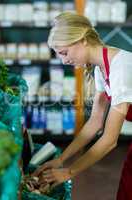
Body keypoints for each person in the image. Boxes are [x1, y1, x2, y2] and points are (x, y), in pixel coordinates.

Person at [33, 11, 132, 200]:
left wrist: (69, 172)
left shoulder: (121, 68)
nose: (64, 60)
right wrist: (61, 160)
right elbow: (95, 122)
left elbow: (110, 140)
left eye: (64, 53)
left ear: (82, 40)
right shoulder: (101, 68)